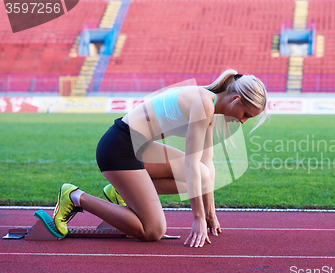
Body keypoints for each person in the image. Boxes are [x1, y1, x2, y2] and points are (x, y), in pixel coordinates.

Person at [52, 70, 268, 247]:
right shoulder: (203, 104)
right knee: (153, 230)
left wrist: (210, 214)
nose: (242, 121)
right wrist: (197, 219)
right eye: (246, 114)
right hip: (119, 147)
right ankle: (75, 196)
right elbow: (191, 164)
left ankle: (119, 193)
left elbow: (206, 163)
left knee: (204, 173)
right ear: (236, 99)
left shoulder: (210, 108)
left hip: (140, 147)